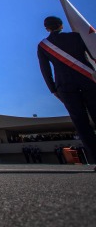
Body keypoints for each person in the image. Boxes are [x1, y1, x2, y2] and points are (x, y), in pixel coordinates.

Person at [37, 16, 96, 170]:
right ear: (61, 25)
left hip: (65, 86)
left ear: (46, 28)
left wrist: (53, 90)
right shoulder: (77, 36)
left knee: (81, 124)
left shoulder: (43, 45)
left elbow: (45, 70)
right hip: (88, 80)